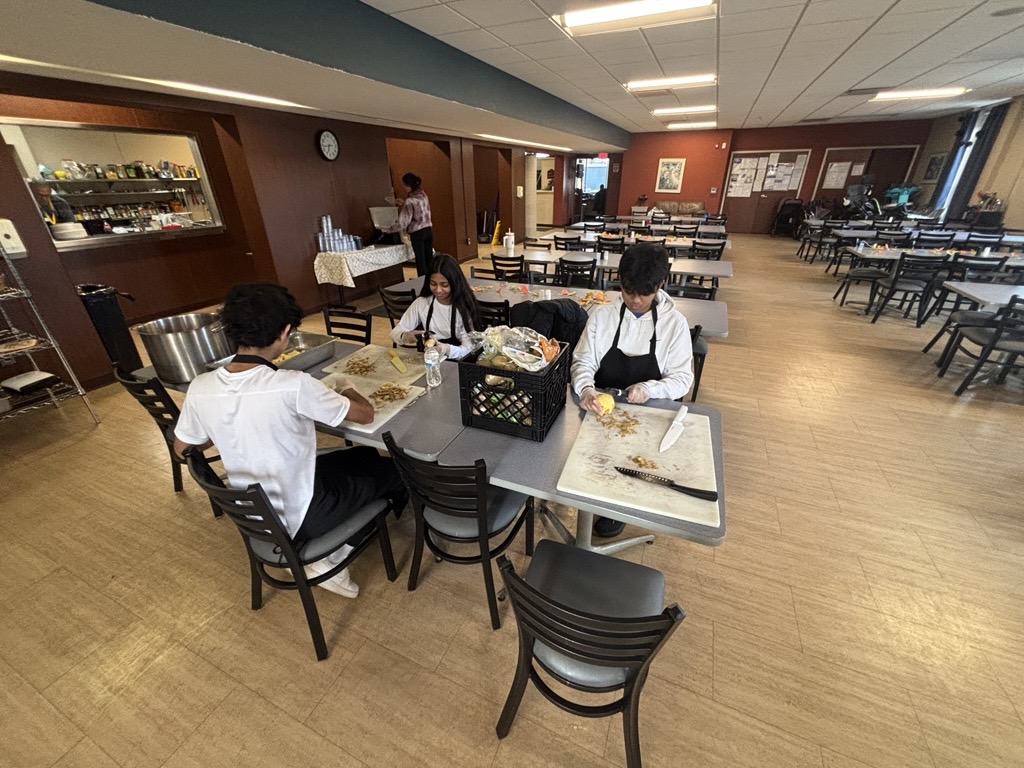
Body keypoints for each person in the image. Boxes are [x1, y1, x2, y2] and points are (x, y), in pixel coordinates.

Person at [173, 283, 405, 598]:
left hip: (256, 511)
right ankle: (330, 557)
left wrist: (229, 425)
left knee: (365, 458)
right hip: (304, 511)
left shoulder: (201, 387)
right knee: (398, 473)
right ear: (285, 332)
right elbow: (364, 414)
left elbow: (183, 449)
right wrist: (346, 386)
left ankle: (329, 547)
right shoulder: (292, 385)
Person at [571, 243, 694, 538]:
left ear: (660, 285)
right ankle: (593, 504)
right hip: (601, 411)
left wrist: (649, 388)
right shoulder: (603, 316)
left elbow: (682, 379)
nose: (635, 300)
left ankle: (620, 509)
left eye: (644, 293)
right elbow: (582, 361)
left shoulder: (674, 324)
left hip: (648, 412)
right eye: (628, 291)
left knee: (633, 467)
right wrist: (586, 389)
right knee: (594, 464)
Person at [390, 253, 481, 360]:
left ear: (455, 283)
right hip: (431, 361)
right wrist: (405, 336)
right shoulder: (422, 303)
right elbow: (394, 333)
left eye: (444, 285)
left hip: (458, 362)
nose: (438, 290)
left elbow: (468, 350)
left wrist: (446, 349)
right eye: (433, 283)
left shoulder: (463, 308)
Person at [388, 172, 433, 276]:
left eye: (404, 185)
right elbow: (419, 208)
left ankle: (423, 286)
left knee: (421, 262)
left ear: (408, 185)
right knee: (429, 260)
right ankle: (432, 282)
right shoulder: (423, 195)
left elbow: (403, 223)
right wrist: (404, 203)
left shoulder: (410, 201)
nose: (403, 188)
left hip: (418, 233)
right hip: (428, 230)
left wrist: (388, 230)